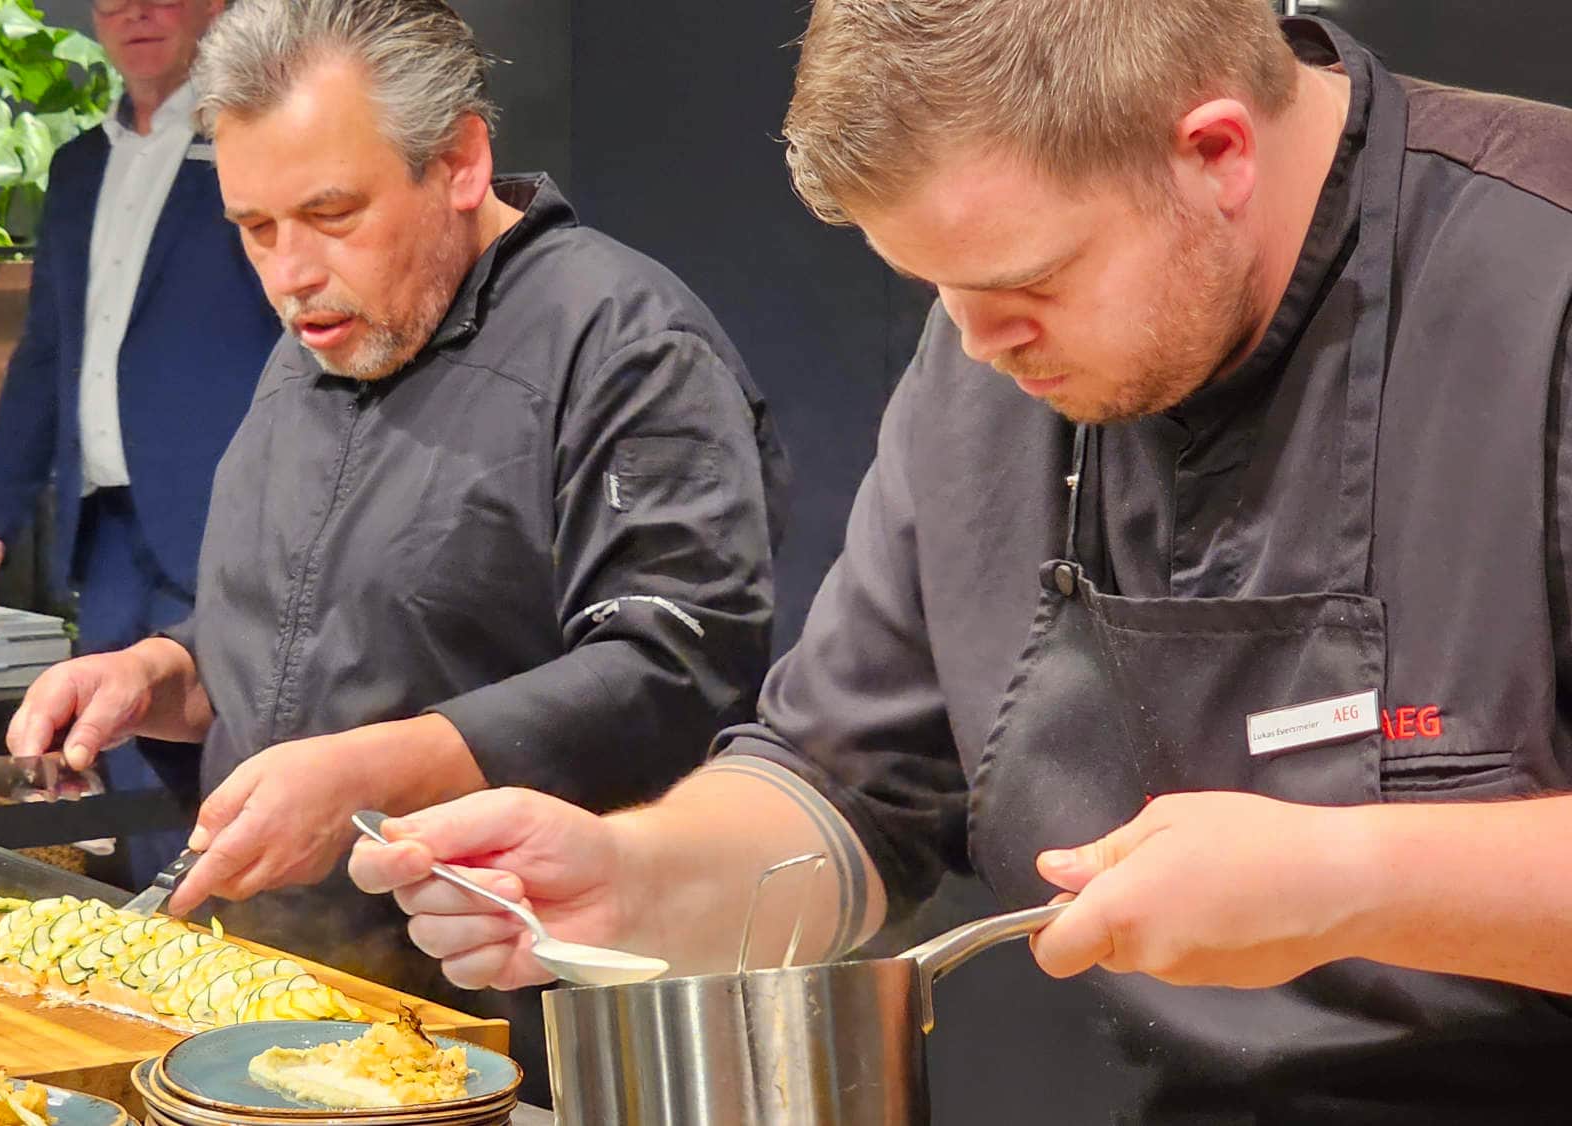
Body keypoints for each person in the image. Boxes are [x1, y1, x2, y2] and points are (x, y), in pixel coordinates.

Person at [350, 4, 1572, 1121]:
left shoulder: (1540, 286)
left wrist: (1347, 876)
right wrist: (637, 877)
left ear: (1213, 153)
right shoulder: (986, 346)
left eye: (1025, 282)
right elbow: (842, 787)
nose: (978, 346)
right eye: (935, 289)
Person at [3, 0, 789, 1093]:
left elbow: (676, 666)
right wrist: (162, 673)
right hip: (292, 1008)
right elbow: (315, 628)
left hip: (511, 1024)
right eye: (255, 227)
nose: (289, 272)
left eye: (330, 213)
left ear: (460, 160)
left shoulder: (626, 345)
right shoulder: (329, 331)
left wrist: (371, 775)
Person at [0, 0, 281, 884]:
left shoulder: (252, 146)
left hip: (227, 517)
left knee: (234, 773)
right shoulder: (79, 164)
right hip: (107, 531)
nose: (135, 11)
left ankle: (233, 957)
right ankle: (150, 945)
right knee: (118, 766)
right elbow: (46, 349)